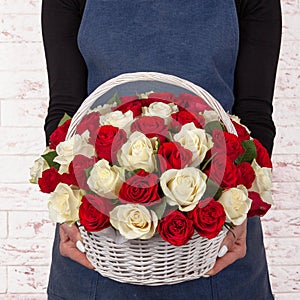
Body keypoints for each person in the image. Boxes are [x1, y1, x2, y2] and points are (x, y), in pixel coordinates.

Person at [41, 0, 282, 299]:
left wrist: (241, 204)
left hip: (217, 248)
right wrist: (66, 203)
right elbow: (66, 109)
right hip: (98, 248)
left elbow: (254, 116)